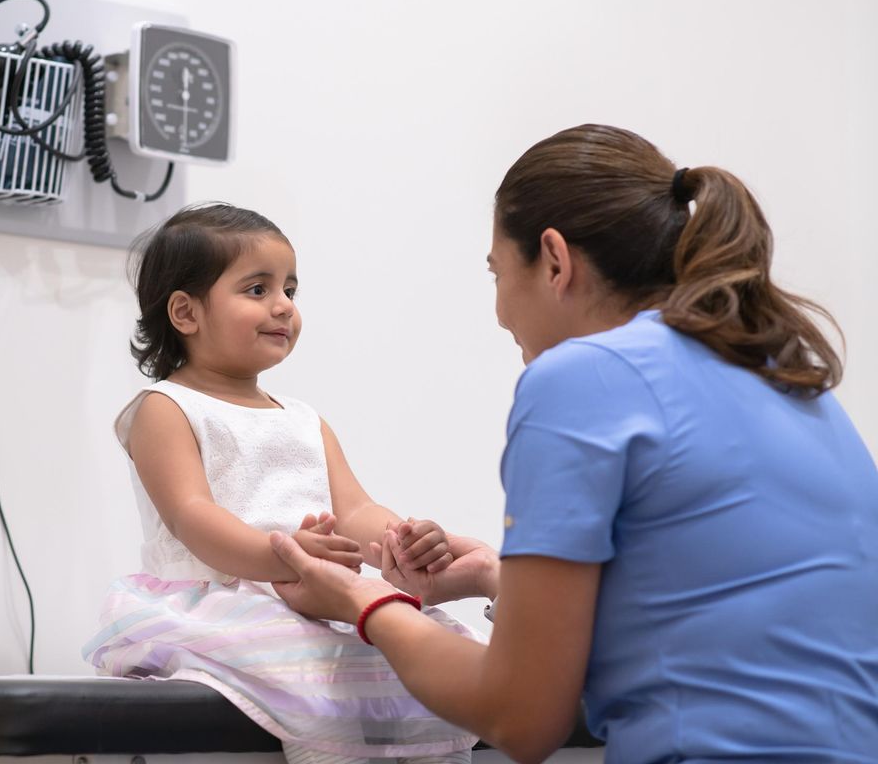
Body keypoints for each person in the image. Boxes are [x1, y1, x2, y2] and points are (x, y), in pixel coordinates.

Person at [267, 124, 878, 764]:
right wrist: (492, 576)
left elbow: (521, 716)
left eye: (497, 273)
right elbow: (718, 609)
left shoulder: (582, 377)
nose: (500, 312)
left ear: (555, 261)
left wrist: (367, 601)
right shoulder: (780, 372)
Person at [82, 203, 481, 764]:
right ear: (185, 312)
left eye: (290, 289)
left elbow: (355, 508)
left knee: (431, 670)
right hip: (228, 601)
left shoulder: (302, 417)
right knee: (317, 690)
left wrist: (402, 538)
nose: (283, 306)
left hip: (317, 596)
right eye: (257, 289)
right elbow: (192, 516)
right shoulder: (165, 408)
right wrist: (284, 556)